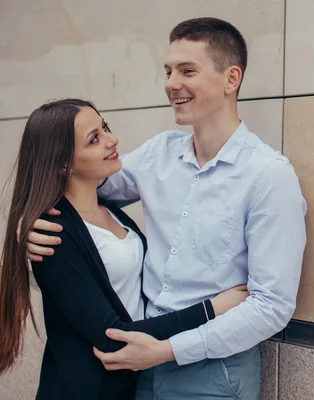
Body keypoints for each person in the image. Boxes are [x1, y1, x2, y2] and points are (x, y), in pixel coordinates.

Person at [26, 17, 307, 400]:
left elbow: (272, 307)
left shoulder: (268, 176)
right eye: (168, 70)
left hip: (213, 374)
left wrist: (168, 351)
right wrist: (27, 225)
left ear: (231, 78)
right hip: (138, 366)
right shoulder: (157, 154)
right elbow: (75, 180)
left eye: (187, 70)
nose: (172, 83)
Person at [0, 99, 249, 400]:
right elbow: (114, 337)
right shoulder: (55, 237)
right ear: (63, 163)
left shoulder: (109, 210)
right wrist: (213, 307)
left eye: (104, 127)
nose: (111, 140)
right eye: (94, 139)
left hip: (128, 388)